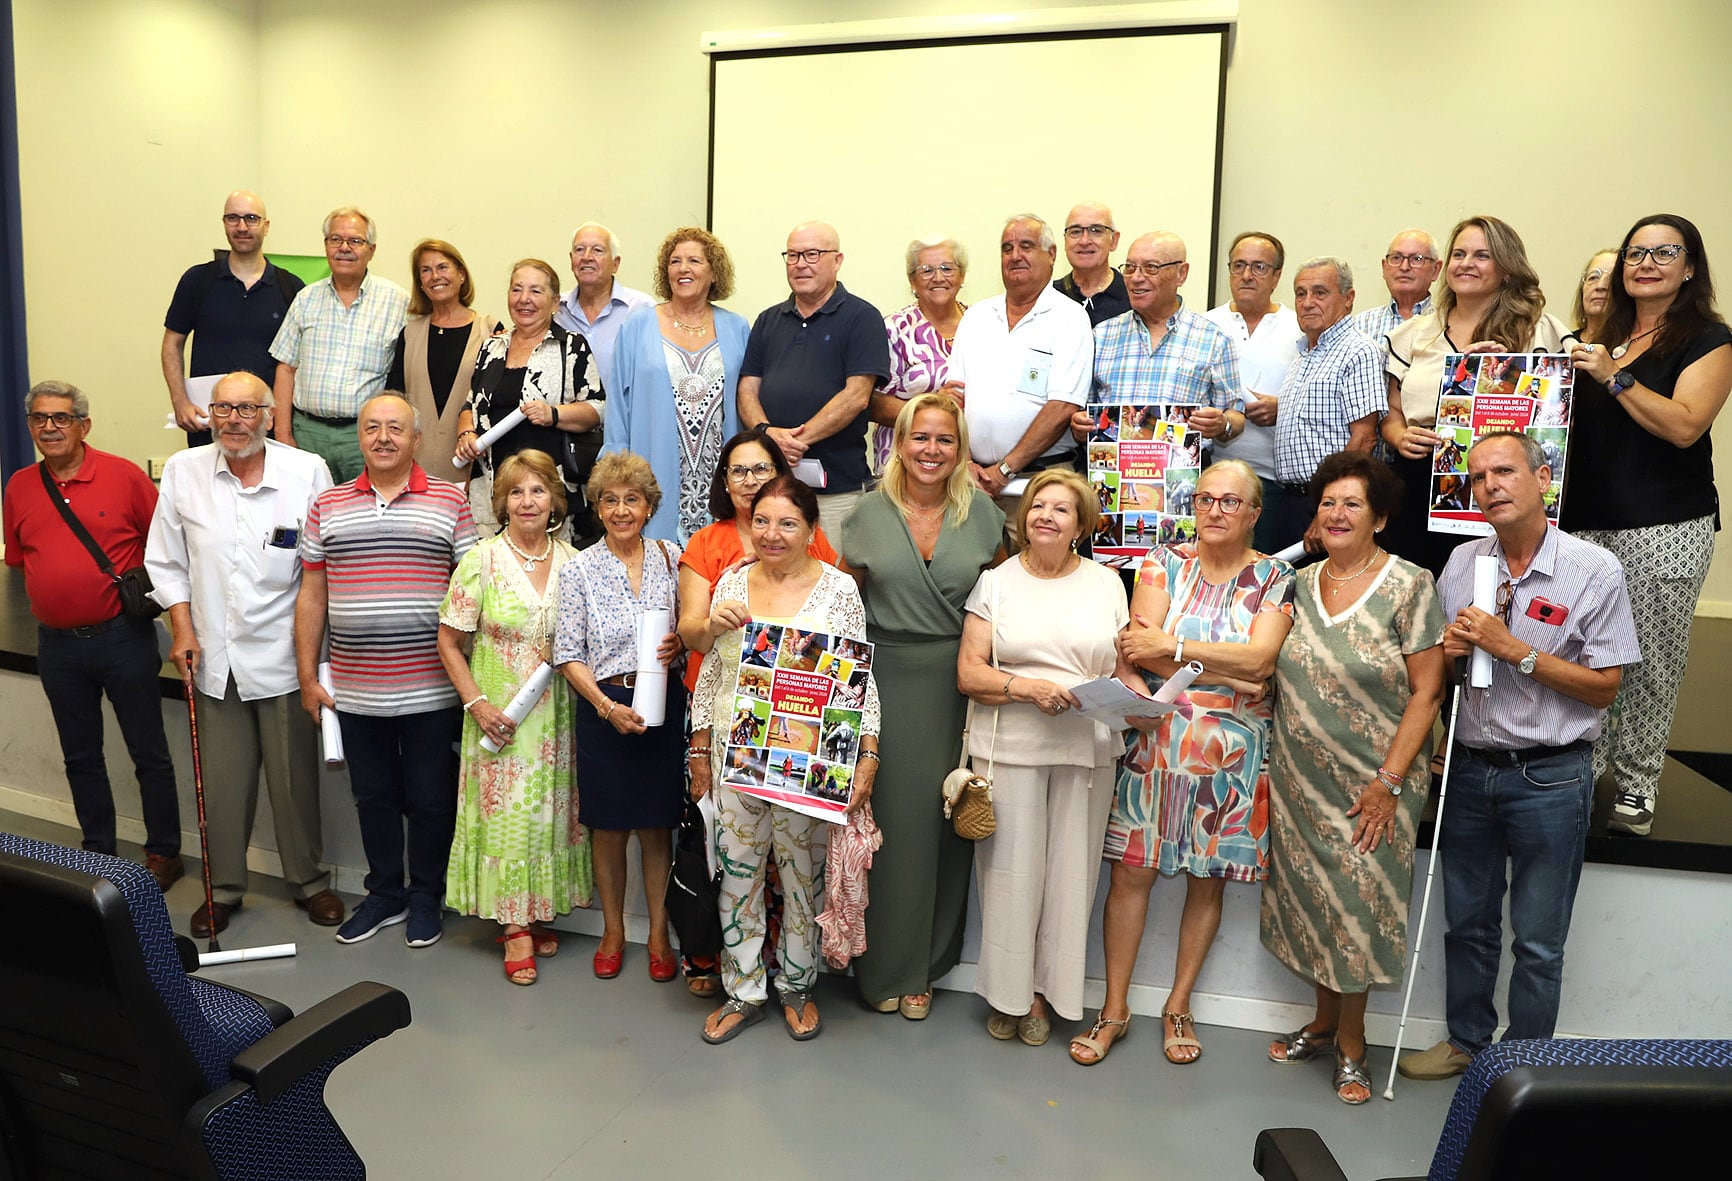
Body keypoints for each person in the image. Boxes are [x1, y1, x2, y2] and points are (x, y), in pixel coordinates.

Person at [1399, 432, 1638, 1082]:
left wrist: (1516, 651)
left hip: (1552, 775)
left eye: (1503, 471)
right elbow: (1442, 673)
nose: (1490, 486)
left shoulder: (1593, 569)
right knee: (1467, 925)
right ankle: (1466, 1044)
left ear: (1542, 477)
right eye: (1477, 478)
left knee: (1537, 940)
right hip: (1472, 768)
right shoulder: (1461, 565)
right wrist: (1446, 655)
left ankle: (1524, 1066)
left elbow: (1606, 686)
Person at [1076, 459, 1295, 1067]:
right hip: (1158, 738)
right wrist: (1222, 665)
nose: (1215, 511)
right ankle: (1115, 1008)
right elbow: (1135, 649)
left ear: (1255, 512)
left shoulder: (1278, 577)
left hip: (1233, 756)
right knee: (1130, 876)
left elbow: (1261, 665)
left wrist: (1175, 651)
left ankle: (1179, 1004)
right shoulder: (1161, 561)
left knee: (1208, 879)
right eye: (1204, 499)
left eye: (1231, 501)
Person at [1261, 452, 1445, 1105]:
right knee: (1312, 898)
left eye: (1352, 505)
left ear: (1381, 517)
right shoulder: (1297, 583)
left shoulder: (1410, 583)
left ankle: (1353, 1042)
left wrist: (1390, 781)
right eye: (1328, 503)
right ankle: (1322, 1018)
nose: (1336, 514)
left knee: (1360, 907)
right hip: (1301, 777)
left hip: (1378, 783)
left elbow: (1428, 691)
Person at [144, 371, 341, 937]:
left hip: (284, 658)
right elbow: (166, 561)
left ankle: (309, 882)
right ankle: (223, 887)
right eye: (222, 409)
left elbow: (319, 570)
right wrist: (181, 628)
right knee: (223, 785)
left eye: (246, 410)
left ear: (270, 415)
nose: (233, 420)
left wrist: (311, 662)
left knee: (294, 782)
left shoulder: (305, 473)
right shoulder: (184, 472)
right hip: (211, 656)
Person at [689, 476, 880, 1044]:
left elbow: (860, 682)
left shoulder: (839, 590)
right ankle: (742, 989)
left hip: (809, 762)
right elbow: (714, 673)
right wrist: (699, 748)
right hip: (734, 753)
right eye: (763, 521)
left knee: (804, 877)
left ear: (811, 530)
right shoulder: (731, 583)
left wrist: (867, 753)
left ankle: (797, 985)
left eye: (788, 523)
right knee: (738, 874)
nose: (773, 534)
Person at [838, 394, 1005, 1018]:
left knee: (946, 824)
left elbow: (1003, 603)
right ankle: (882, 966)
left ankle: (927, 968)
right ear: (899, 444)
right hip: (881, 683)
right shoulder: (866, 515)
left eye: (945, 439)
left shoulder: (984, 515)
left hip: (958, 684)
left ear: (959, 449)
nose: (931, 450)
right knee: (889, 828)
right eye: (920, 438)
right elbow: (840, 606)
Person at [1564, 214, 1732, 836]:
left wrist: (1614, 376)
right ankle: (1585, 771)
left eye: (1666, 252)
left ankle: (1637, 784)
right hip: (1581, 525)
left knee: (1650, 660)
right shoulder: (1595, 337)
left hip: (1663, 526)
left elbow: (1686, 424)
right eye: (1636, 252)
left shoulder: (1708, 338)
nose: (1646, 262)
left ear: (1690, 266)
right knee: (1579, 657)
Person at [956, 470, 1132, 1048]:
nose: (1046, 516)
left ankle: (1045, 996)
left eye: (1062, 508)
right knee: (1009, 877)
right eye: (1038, 506)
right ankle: (1008, 995)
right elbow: (970, 672)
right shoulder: (996, 582)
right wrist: (1027, 687)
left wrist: (1145, 702)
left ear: (1081, 525)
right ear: (1023, 516)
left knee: (1071, 878)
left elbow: (1121, 668)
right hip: (1010, 746)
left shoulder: (1108, 584)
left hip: (1085, 746)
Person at [296, 394, 477, 948]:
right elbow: (311, 595)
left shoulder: (451, 501)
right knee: (371, 797)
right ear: (359, 437)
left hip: (432, 689)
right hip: (354, 689)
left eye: (395, 428)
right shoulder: (326, 504)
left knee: (428, 797)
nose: (382, 438)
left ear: (416, 439)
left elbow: (471, 594)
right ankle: (384, 895)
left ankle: (426, 897)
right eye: (371, 427)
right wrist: (308, 677)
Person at [3, 381, 183, 890]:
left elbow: (165, 549)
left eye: (61, 418)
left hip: (122, 638)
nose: (49, 428)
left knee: (148, 752)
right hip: (56, 646)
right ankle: (98, 850)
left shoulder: (124, 477)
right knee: (80, 755)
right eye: (39, 419)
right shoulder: (18, 485)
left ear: (84, 424)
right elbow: (19, 558)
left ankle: (165, 853)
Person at [438, 449, 592, 986]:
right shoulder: (480, 559)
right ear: (501, 502)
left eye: (538, 490)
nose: (527, 501)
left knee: (548, 815)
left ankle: (530, 907)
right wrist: (477, 704)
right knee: (510, 819)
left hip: (557, 718)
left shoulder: (575, 562)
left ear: (555, 499)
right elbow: (449, 642)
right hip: (499, 717)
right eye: (516, 492)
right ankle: (515, 928)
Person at [1380, 215, 1576, 576]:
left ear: (1506, 269)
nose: (1466, 263)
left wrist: (1502, 371)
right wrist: (1399, 436)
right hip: (1423, 484)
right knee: (1425, 594)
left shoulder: (1539, 329)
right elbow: (1391, 411)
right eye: (1459, 254)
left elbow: (1559, 408)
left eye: (1481, 255)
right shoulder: (1413, 334)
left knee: (1495, 593)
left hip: (1505, 484)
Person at [554, 451, 685, 982]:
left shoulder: (674, 558)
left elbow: (694, 628)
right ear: (598, 507)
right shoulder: (579, 568)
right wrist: (607, 708)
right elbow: (567, 653)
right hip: (603, 707)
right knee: (607, 828)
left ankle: (657, 933)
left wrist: (682, 641)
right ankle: (612, 931)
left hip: (661, 705)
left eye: (633, 499)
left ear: (650, 507)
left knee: (657, 828)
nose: (622, 509)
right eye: (611, 499)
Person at [736, 221, 891, 537]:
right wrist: (767, 436)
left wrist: (794, 442)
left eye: (812, 254)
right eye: (792, 255)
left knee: (831, 579)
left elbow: (858, 395)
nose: (800, 264)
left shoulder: (862, 317)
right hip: (772, 490)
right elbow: (747, 390)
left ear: (837, 260)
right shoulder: (768, 320)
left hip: (836, 491)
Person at [604, 227, 750, 544]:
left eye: (695, 261)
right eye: (675, 261)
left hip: (719, 478)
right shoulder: (637, 326)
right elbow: (617, 406)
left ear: (713, 273)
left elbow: (746, 401)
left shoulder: (737, 327)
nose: (683, 269)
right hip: (652, 475)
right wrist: (616, 476)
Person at [949, 214, 1093, 532]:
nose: (1015, 256)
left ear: (1051, 254)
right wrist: (964, 463)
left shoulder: (1070, 319)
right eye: (1007, 248)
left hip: (1040, 485)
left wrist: (1005, 469)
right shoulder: (976, 317)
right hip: (971, 484)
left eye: (1026, 246)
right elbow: (953, 398)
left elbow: (1062, 407)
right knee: (974, 579)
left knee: (1037, 576)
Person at [456, 259, 605, 539]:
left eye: (536, 291)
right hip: (492, 492)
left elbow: (598, 410)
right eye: (517, 290)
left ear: (555, 302)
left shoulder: (571, 347)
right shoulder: (491, 347)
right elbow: (470, 404)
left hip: (550, 495)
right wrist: (466, 432)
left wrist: (554, 414)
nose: (524, 299)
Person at [1072, 232, 1242, 465]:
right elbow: (1085, 409)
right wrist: (1081, 424)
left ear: (1181, 273)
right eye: (1130, 268)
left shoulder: (1214, 339)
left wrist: (1223, 424)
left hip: (1182, 480)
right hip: (1112, 476)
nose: (1136, 278)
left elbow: (1235, 413)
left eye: (1151, 268)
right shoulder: (1101, 335)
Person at [269, 206, 410, 482]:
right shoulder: (305, 299)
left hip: (365, 436)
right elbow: (285, 368)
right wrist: (283, 434)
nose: (344, 247)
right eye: (335, 239)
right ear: (326, 246)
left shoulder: (398, 302)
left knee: (363, 519)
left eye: (355, 241)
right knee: (306, 517)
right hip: (307, 433)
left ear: (371, 250)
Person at [162, 190, 304, 447]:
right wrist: (180, 401)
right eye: (233, 218)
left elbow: (298, 364)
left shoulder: (291, 288)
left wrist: (285, 427)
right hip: (209, 422)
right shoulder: (197, 281)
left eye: (251, 218)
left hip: (267, 427)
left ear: (266, 225)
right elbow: (172, 343)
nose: (241, 227)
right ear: (224, 223)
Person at [1267, 258, 1384, 549]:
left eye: (1320, 292)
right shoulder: (1303, 354)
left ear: (1348, 299)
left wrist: (1331, 510)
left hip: (1328, 506)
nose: (1307, 303)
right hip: (1292, 501)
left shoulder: (1358, 351)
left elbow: (1365, 437)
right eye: (1300, 293)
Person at [1206, 232, 1300, 550]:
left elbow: (1321, 397)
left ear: (1276, 276)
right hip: (1212, 473)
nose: (1246, 275)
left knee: (1260, 576)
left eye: (1259, 267)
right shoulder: (1204, 325)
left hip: (1272, 480)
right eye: (1239, 266)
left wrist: (1282, 408)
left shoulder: (1300, 327)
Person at [387, 239, 498, 478]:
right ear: (420, 284)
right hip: (415, 468)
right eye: (425, 271)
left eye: (442, 267)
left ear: (461, 275)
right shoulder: (410, 334)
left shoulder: (490, 331)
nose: (434, 276)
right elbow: (394, 398)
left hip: (472, 466)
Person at [866, 236, 969, 476]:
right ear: (912, 280)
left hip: (967, 464)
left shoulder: (981, 322)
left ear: (961, 276)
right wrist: (931, 406)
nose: (938, 277)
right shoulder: (893, 329)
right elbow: (873, 404)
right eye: (926, 270)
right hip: (905, 465)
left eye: (947, 268)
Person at [554, 222, 655, 396]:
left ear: (615, 264)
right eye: (579, 250)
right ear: (571, 260)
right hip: (566, 419)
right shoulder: (555, 310)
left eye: (597, 250)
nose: (587, 257)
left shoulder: (642, 308)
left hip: (625, 420)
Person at [1351, 229, 1440, 341]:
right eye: (1396, 258)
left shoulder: (1448, 323)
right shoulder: (1360, 326)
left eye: (1417, 259)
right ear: (1384, 267)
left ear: (1435, 269)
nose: (1404, 267)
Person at [1053, 201, 1129, 325]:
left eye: (1096, 230)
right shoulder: (1048, 297)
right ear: (1065, 240)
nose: (1084, 241)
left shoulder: (1133, 297)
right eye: (1075, 231)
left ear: (1114, 240)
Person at [1570, 247, 1619, 340]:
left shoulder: (1632, 348)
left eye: (1612, 278)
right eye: (1593, 277)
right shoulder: (1563, 346)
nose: (1600, 286)